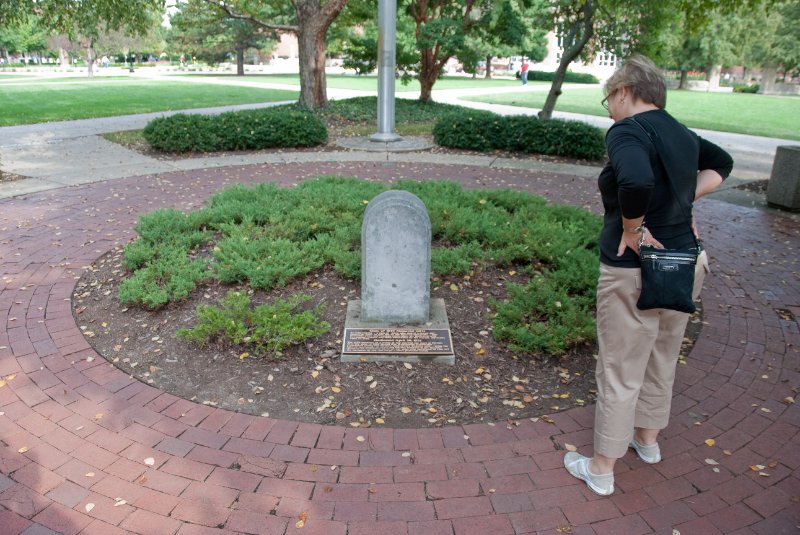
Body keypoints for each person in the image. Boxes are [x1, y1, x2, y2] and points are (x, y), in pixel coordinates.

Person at [563, 55, 733, 496]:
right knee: (662, 355)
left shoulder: (626, 131)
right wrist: (681, 202)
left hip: (634, 270)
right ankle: (647, 441)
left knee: (622, 368)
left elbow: (635, 182)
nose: (608, 108)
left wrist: (633, 228)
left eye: (608, 98)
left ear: (624, 91)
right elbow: (723, 163)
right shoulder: (678, 130)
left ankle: (600, 468)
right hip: (686, 264)